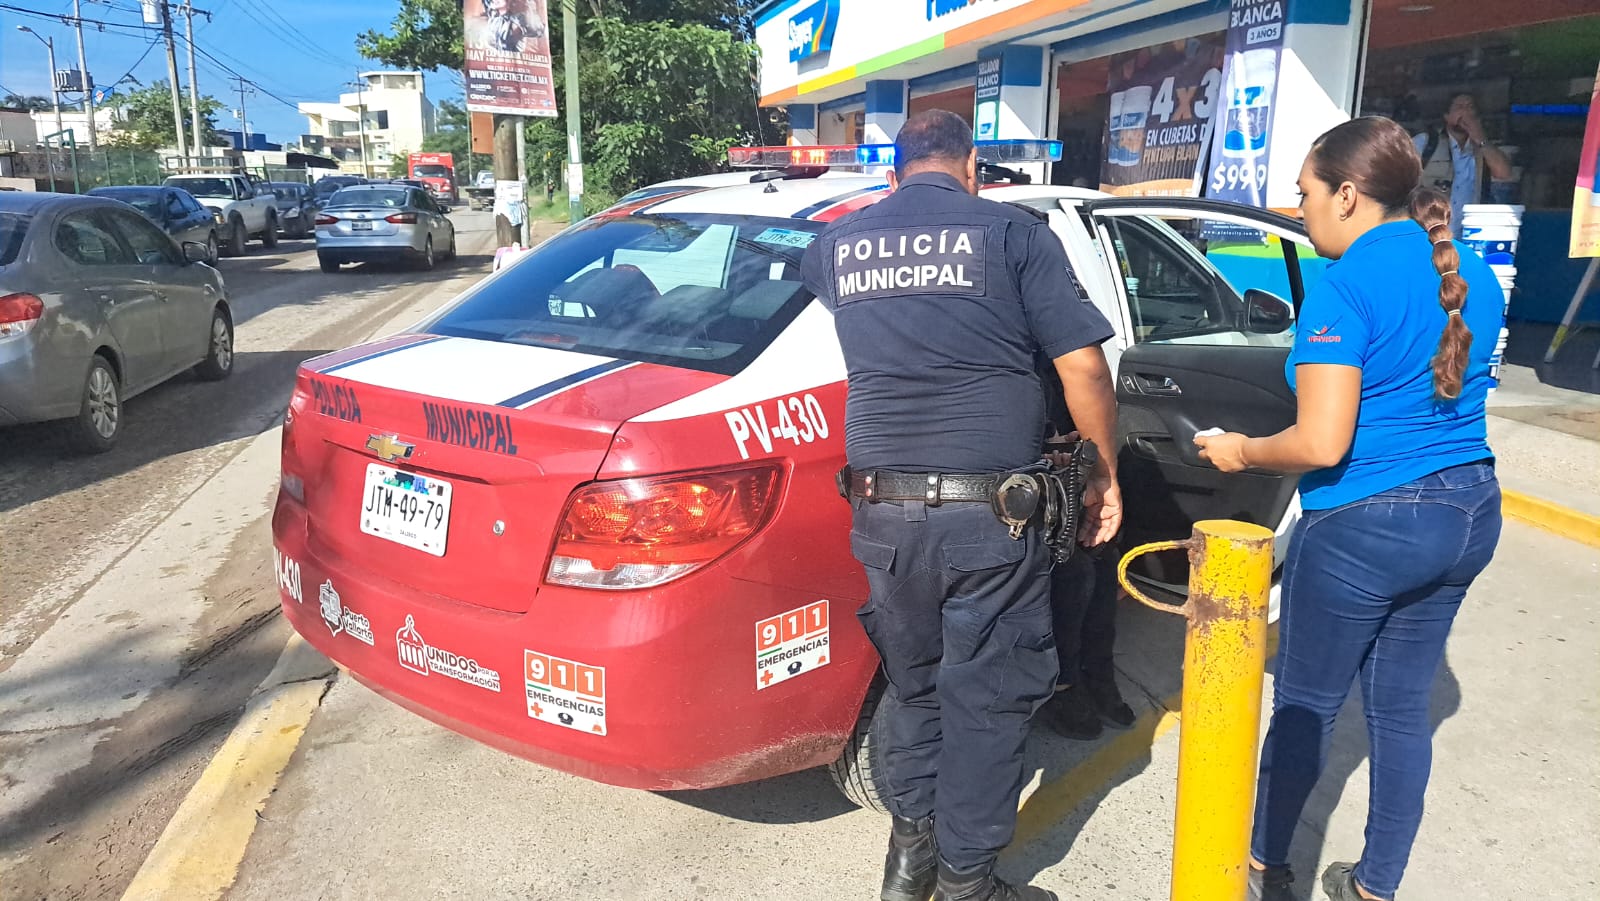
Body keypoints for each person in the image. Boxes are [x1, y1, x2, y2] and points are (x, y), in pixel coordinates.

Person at [801, 110, 1122, 901]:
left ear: (892, 172)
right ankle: (968, 883)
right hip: (990, 519)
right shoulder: (1011, 235)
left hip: (881, 516)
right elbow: (1082, 366)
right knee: (987, 696)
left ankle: (908, 867)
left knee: (915, 688)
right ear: (972, 165)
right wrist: (1101, 473)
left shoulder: (838, 245)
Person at [1196, 116, 1504, 901]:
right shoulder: (1468, 269)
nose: (1299, 209)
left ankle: (1263, 864)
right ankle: (1376, 885)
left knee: (1307, 702)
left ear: (1348, 193)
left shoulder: (1345, 284)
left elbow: (1322, 441)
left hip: (1369, 522)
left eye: (1304, 194)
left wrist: (1241, 450)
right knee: (1402, 711)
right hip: (1469, 506)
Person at [1413, 93, 1513, 236]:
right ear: (1447, 116)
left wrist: (1481, 139)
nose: (1465, 113)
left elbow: (1504, 174)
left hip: (1467, 237)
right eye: (1459, 107)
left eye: (1470, 108)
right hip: (1425, 234)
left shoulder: (1483, 151)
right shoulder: (1425, 143)